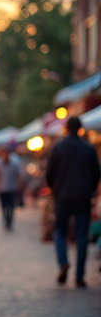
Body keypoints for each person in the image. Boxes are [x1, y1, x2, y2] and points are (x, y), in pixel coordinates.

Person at [46, 116, 101, 287]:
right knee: (81, 235)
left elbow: (49, 173)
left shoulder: (58, 148)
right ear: (81, 128)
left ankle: (63, 263)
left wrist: (55, 189)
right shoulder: (88, 148)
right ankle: (79, 276)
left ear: (66, 128)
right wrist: (89, 190)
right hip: (82, 196)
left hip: (62, 196)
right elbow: (97, 173)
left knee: (60, 232)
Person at [0, 147, 22, 230]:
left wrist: (19, 186)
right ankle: (6, 220)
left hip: (12, 188)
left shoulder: (14, 163)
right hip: (2, 189)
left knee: (11, 206)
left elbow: (18, 176)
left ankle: (9, 221)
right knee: (4, 206)